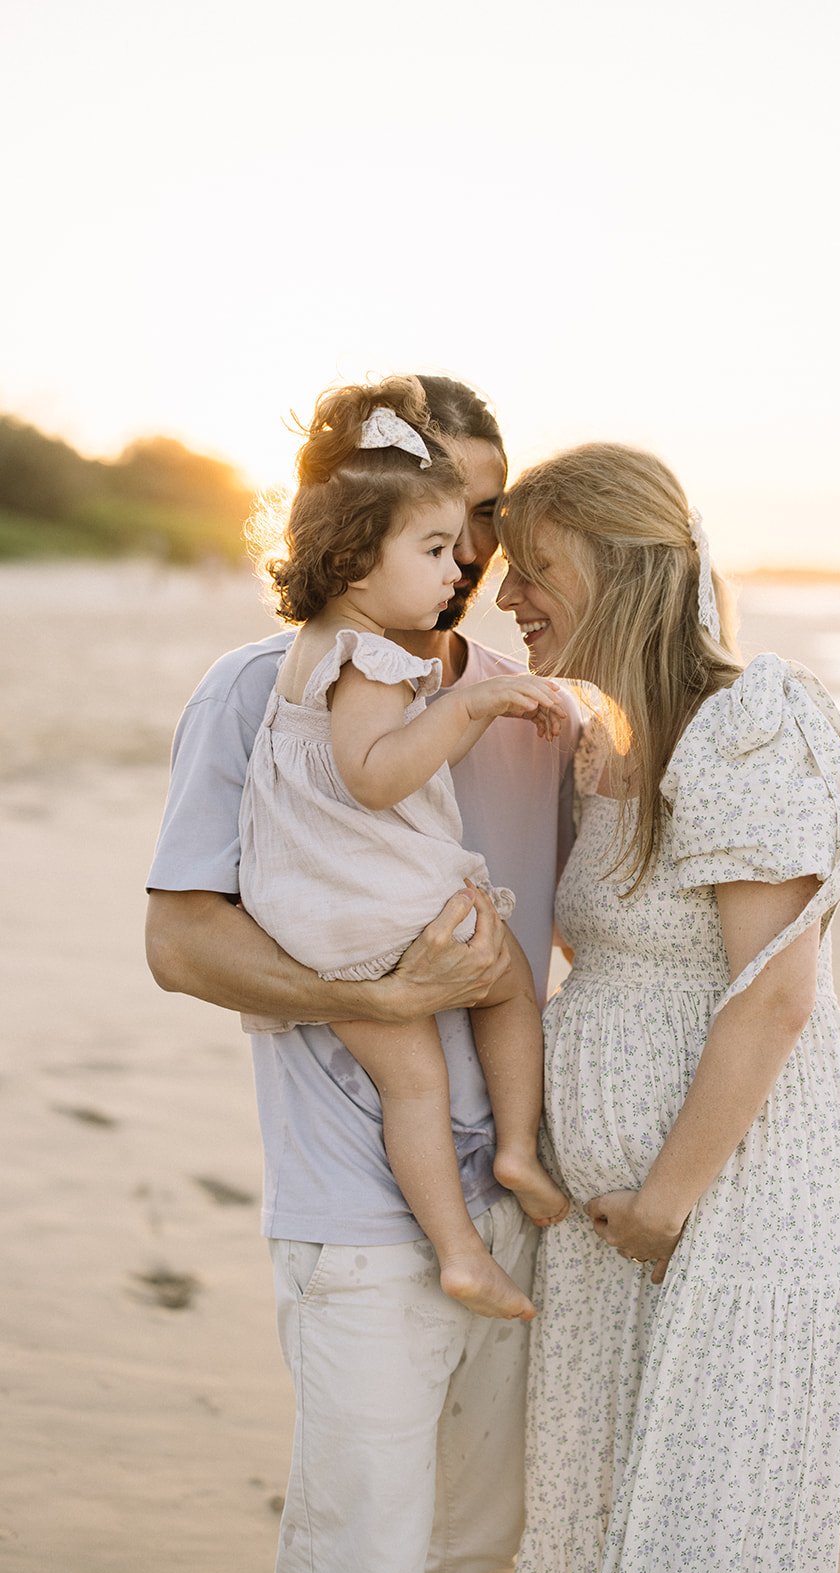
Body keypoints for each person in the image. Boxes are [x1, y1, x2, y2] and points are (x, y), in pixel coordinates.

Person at [145, 375, 582, 1573]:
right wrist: (383, 1002)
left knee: (473, 1557)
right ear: (356, 520)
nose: (474, 544)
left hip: (524, 1202)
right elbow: (180, 943)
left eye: (486, 510)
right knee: (362, 1568)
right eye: (443, 511)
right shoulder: (256, 692)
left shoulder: (524, 705)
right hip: (355, 1213)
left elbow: (584, 938)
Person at [495, 442, 840, 1573]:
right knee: (601, 1527)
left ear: (619, 566)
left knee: (704, 1548)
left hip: (747, 1205)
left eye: (533, 567)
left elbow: (773, 992)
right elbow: (620, 958)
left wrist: (665, 1203)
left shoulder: (742, 723)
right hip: (614, 1232)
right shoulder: (593, 743)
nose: (507, 595)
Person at [238, 377, 568, 1324]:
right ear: (355, 560)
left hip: (315, 916)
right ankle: (514, 1148)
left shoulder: (313, 652)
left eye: (480, 519)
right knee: (504, 985)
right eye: (433, 541)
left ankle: (462, 1250)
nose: (462, 559)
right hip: (373, 911)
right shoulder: (376, 663)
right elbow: (374, 777)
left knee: (412, 1081)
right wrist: (462, 706)